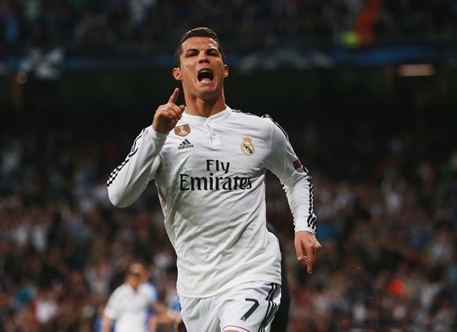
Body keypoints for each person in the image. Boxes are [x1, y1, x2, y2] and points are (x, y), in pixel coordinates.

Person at [107, 27, 322, 332]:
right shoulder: (159, 137)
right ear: (179, 73)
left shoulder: (260, 130)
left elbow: (297, 178)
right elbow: (118, 195)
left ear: (224, 68)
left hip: (253, 273)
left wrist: (303, 226)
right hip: (196, 289)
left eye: (211, 53)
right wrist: (155, 135)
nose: (202, 58)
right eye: (192, 55)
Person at [101, 262, 172, 332]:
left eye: (137, 276)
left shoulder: (144, 292)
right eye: (134, 276)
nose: (135, 279)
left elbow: (155, 305)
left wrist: (172, 313)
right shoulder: (119, 294)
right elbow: (108, 316)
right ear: (128, 277)